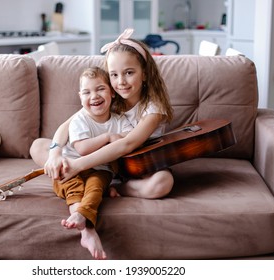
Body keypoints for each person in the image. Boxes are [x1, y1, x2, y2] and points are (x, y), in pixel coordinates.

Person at [30, 28, 174, 199]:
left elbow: (127, 144)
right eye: (114, 75)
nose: (121, 82)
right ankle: (78, 174)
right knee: (38, 145)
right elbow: (66, 126)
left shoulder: (153, 109)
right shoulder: (109, 98)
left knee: (162, 182)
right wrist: (55, 154)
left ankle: (116, 187)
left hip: (134, 166)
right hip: (98, 162)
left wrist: (78, 165)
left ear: (144, 73)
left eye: (129, 73)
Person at [51, 66, 132, 260]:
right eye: (87, 92)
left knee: (95, 188)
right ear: (80, 97)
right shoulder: (79, 119)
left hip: (100, 169)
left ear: (112, 93)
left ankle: (81, 217)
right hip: (71, 167)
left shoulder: (120, 119)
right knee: (74, 189)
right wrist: (108, 137)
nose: (94, 96)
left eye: (100, 89)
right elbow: (82, 149)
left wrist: (119, 136)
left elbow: (130, 138)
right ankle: (86, 230)